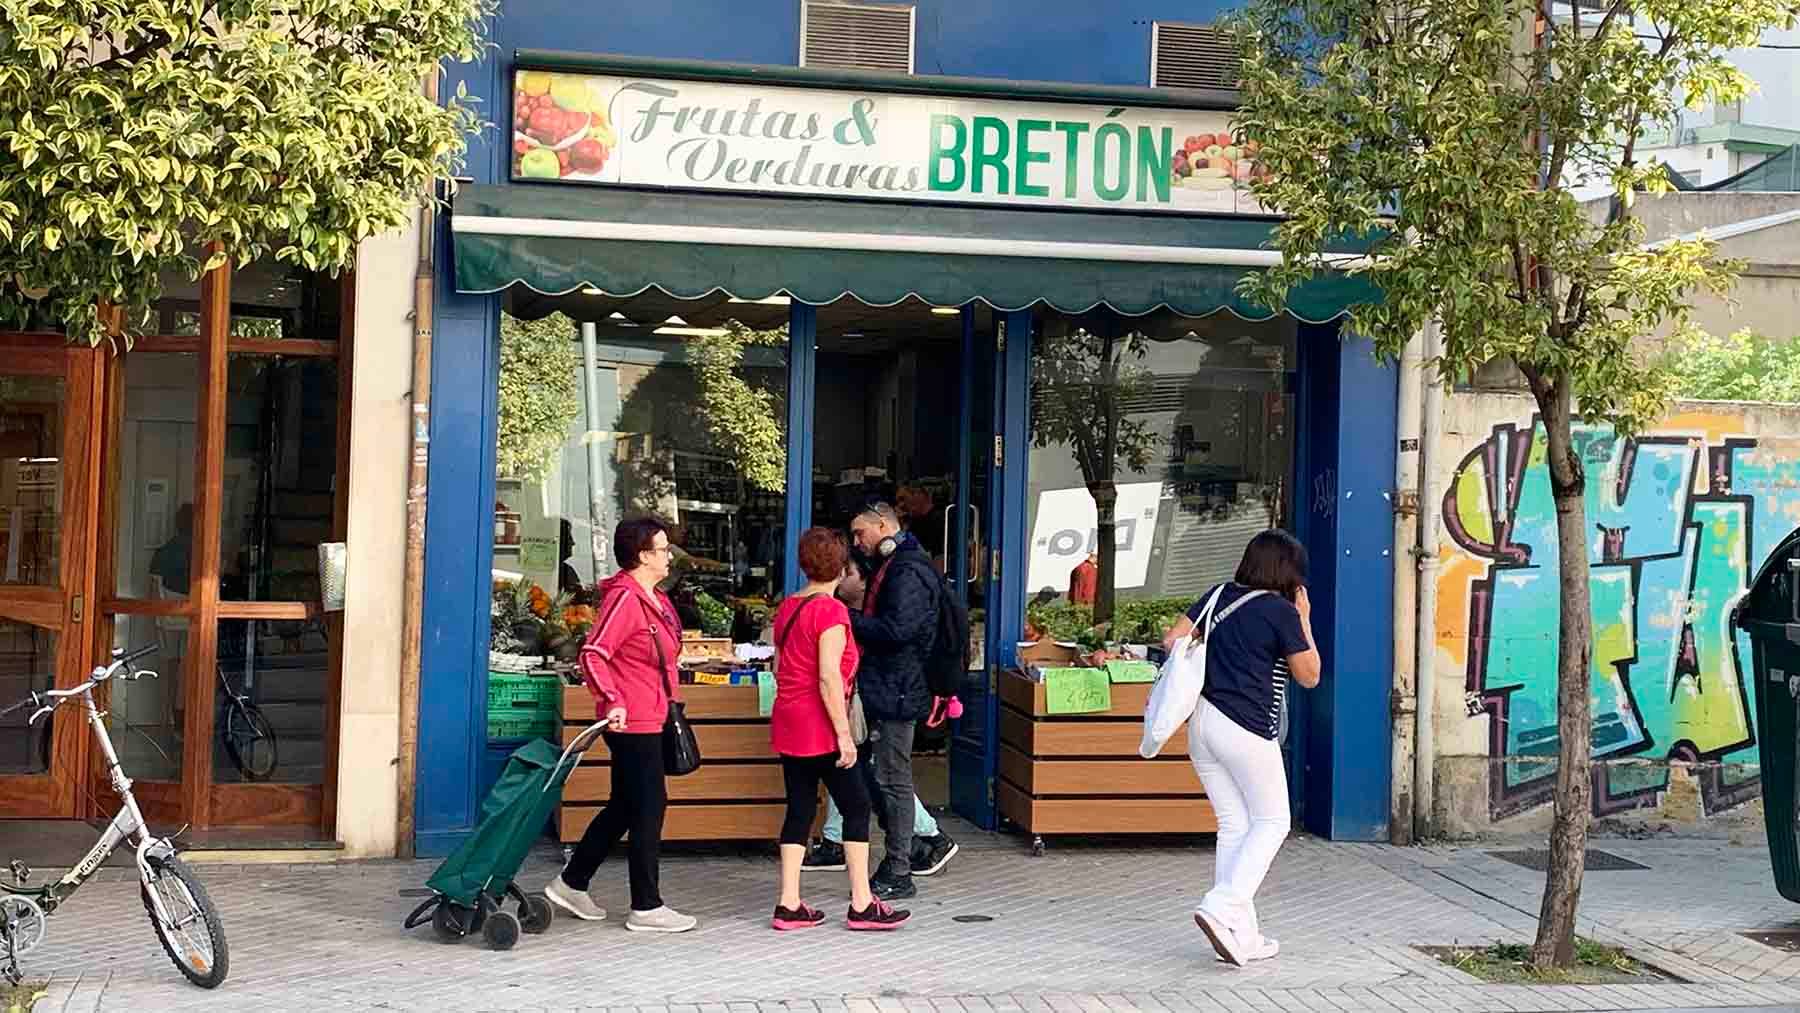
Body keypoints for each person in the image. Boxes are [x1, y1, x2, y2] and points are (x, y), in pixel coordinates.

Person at [1161, 529, 1321, 967]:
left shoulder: (1217, 596)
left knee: (1234, 824)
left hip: (1202, 724)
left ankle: (1242, 936)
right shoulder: (1280, 612)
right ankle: (1222, 905)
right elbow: (1309, 675)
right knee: (1273, 822)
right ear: (1288, 572)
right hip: (1247, 727)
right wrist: (1303, 619)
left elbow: (1172, 641)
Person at [544, 516, 697, 934]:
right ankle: (646, 906)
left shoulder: (656, 598)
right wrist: (612, 699)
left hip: (654, 713)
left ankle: (572, 881)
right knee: (649, 806)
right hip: (631, 720)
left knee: (626, 805)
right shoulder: (627, 598)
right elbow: (593, 653)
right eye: (663, 549)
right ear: (644, 555)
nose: (670, 555)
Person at [767, 528, 911, 931]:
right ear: (843, 567)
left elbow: (781, 667)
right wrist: (843, 736)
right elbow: (829, 677)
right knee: (857, 805)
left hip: (789, 718)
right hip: (820, 723)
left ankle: (789, 902)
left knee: (799, 807)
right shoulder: (829, 612)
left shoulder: (789, 607)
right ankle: (862, 901)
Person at [837, 502, 939, 901]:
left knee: (893, 779)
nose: (858, 543)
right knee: (873, 775)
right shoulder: (893, 567)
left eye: (860, 533)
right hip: (888, 685)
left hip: (899, 688)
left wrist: (846, 618)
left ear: (884, 525)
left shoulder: (906, 570)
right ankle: (905, 848)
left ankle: (900, 867)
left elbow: (898, 630)